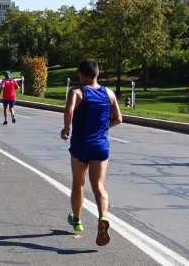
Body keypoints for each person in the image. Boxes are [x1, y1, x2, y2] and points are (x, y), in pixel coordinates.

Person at [61, 59, 122, 247]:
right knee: (99, 186)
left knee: (78, 183)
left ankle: (77, 219)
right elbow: (119, 118)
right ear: (98, 73)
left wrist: (66, 128)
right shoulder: (109, 93)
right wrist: (103, 128)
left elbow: (69, 110)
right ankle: (103, 217)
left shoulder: (77, 92)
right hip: (101, 145)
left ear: (80, 74)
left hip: (81, 144)